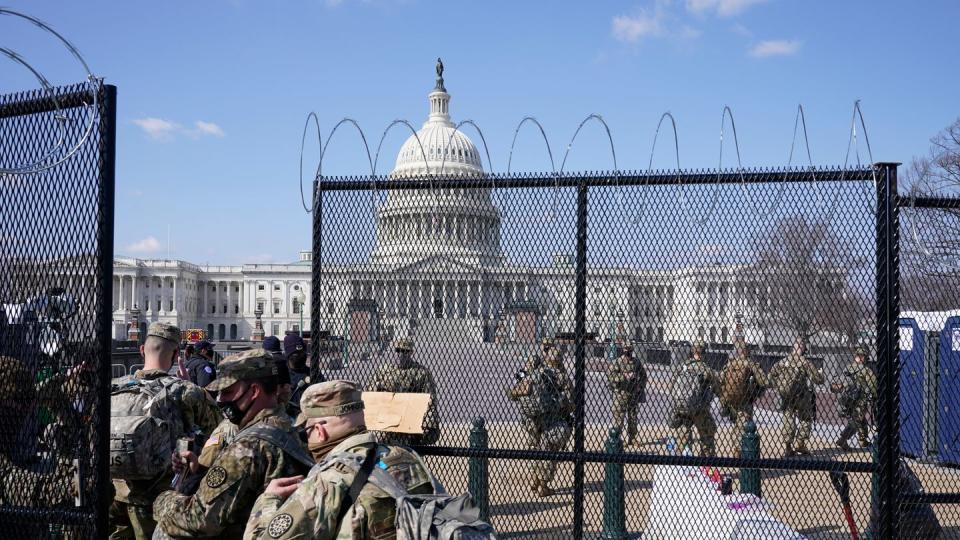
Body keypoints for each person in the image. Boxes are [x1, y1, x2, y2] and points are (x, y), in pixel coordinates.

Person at [243, 380, 438, 539]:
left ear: (319, 431)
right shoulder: (407, 459)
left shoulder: (325, 484)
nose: (306, 440)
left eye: (305, 433)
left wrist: (268, 500)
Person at [152, 349, 313, 539]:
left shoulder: (248, 447)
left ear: (254, 391)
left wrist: (162, 500)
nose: (221, 399)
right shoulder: (287, 425)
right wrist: (200, 473)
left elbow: (199, 519)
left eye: (228, 392)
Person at [109, 322, 221, 540]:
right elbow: (219, 427)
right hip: (160, 499)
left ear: (142, 349)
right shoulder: (185, 391)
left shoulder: (115, 387)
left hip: (116, 494)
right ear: (176, 353)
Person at [506, 338, 573, 497]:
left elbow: (519, 383)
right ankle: (543, 485)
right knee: (549, 451)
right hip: (551, 419)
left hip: (532, 420)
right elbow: (570, 402)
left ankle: (535, 478)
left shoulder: (535, 367)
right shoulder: (561, 376)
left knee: (536, 448)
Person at [365, 338, 440, 446]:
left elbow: (430, 399)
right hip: (386, 418)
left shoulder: (421, 373)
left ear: (411, 352)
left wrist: (428, 423)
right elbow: (370, 393)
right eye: (398, 350)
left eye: (405, 351)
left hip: (409, 420)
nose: (401, 354)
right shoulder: (384, 370)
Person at [769, 338, 825, 456]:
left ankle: (788, 447)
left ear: (793, 347)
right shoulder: (805, 362)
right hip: (801, 396)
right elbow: (818, 380)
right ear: (803, 348)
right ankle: (800, 443)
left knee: (788, 418)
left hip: (786, 396)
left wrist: (778, 386)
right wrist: (820, 374)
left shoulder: (783, 361)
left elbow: (771, 375)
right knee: (806, 418)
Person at [668, 340, 720, 456]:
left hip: (682, 408)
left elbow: (671, 388)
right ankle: (707, 466)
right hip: (700, 409)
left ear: (692, 351)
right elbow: (718, 389)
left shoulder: (683, 366)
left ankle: (683, 464)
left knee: (683, 437)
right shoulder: (706, 369)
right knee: (707, 435)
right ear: (704, 352)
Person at [718, 339, 768, 457]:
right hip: (745, 400)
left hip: (730, 400)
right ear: (746, 351)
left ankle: (736, 447)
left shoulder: (729, 364)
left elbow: (720, 380)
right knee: (743, 425)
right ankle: (738, 450)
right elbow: (763, 382)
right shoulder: (750, 364)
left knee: (737, 424)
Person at [831, 346, 877, 451]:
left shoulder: (847, 367)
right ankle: (843, 438)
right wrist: (875, 396)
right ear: (864, 357)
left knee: (860, 419)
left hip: (848, 400)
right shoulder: (866, 370)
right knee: (856, 421)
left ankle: (862, 440)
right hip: (860, 400)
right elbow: (873, 385)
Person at [606, 342, 647, 446]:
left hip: (633, 393)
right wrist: (624, 376)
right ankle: (617, 438)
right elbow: (611, 377)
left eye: (629, 350)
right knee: (619, 418)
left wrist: (640, 386)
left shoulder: (636, 362)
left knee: (633, 417)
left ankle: (632, 438)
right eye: (626, 350)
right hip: (620, 394)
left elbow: (644, 376)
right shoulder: (617, 362)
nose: (627, 353)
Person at [283, 334, 318, 419]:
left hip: (310, 417)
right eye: (295, 354)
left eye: (302, 353)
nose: (300, 356)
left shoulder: (313, 373)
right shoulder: (282, 374)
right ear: (288, 356)